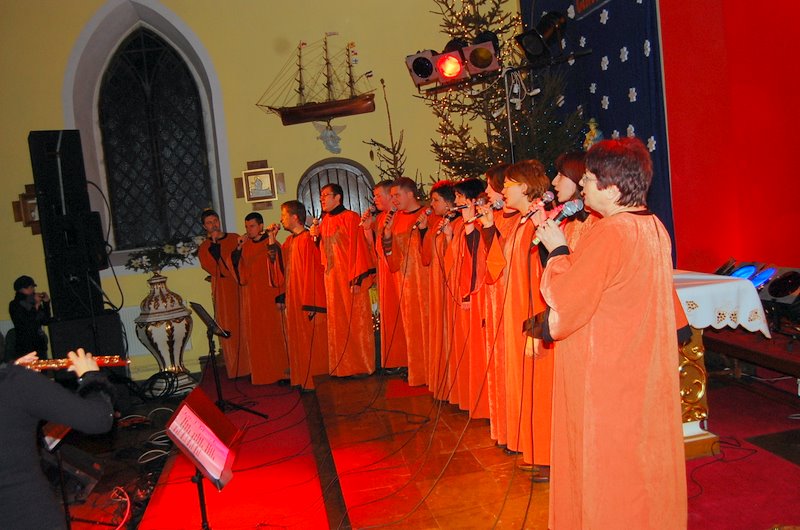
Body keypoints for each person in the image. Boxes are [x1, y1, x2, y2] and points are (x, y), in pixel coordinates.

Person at [536, 137, 687, 529]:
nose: (583, 186)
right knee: (638, 463)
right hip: (638, 366)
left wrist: (557, 250)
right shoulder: (653, 226)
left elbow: (568, 299)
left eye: (588, 179)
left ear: (614, 189)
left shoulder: (612, 232)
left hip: (605, 374)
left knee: (608, 467)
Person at [482, 160, 553, 478]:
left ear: (524, 187)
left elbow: (547, 275)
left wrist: (538, 327)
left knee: (540, 384)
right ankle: (535, 448)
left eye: (508, 185)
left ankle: (548, 455)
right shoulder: (523, 223)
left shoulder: (539, 223)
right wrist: (488, 229)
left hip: (533, 317)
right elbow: (497, 266)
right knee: (526, 383)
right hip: (516, 313)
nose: (502, 191)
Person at [0, 348, 114, 529]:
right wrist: (92, 377)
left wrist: (11, 370)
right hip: (27, 514)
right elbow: (98, 419)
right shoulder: (18, 383)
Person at [310, 184, 376, 377]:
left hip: (350, 278)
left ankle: (361, 365)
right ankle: (342, 367)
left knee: (354, 320)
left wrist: (357, 279)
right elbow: (323, 253)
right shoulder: (324, 221)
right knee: (337, 322)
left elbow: (359, 247)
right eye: (321, 196)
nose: (322, 199)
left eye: (325, 195)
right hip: (332, 280)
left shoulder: (351, 217)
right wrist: (316, 238)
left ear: (337, 197)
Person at [266, 201, 329, 390]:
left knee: (312, 343)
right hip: (294, 300)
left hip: (308, 301)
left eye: (284, 215)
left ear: (295, 217)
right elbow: (280, 270)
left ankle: (316, 383)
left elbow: (316, 272)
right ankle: (302, 379)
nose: (281, 219)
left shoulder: (309, 240)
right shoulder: (289, 242)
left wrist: (313, 303)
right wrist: (271, 239)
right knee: (298, 342)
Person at [380, 177, 430, 386]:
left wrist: (424, 231)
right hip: (405, 282)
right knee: (411, 328)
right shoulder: (396, 218)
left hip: (425, 281)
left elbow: (433, 249)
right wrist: (387, 234)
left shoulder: (427, 214)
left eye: (397, 195)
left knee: (427, 327)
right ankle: (417, 370)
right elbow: (392, 258)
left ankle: (430, 371)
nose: (394, 200)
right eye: (391, 196)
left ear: (410, 194)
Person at [231, 212, 289, 385]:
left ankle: (282, 373)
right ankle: (262, 373)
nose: (249, 230)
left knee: (275, 336)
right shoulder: (246, 245)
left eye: (252, 226)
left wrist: (281, 297)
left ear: (261, 226)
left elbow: (280, 269)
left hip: (270, 296)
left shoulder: (271, 243)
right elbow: (237, 268)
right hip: (253, 298)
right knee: (257, 338)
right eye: (247, 227)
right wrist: (238, 248)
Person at [362, 180, 408, 373]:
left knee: (399, 316)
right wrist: (367, 228)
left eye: (378, 195)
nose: (375, 199)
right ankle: (393, 359)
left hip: (397, 272)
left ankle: (404, 360)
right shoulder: (381, 218)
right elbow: (373, 247)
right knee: (388, 317)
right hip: (384, 272)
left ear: (390, 195)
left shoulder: (399, 216)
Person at [197, 209, 247, 378]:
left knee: (246, 325)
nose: (214, 225)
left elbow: (243, 261)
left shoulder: (234, 238)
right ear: (204, 226)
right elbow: (214, 269)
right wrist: (216, 251)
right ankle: (237, 369)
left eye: (215, 221)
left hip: (241, 286)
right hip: (224, 291)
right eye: (209, 223)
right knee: (229, 326)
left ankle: (252, 367)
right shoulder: (204, 247)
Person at [419, 180, 456, 399]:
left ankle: (453, 383)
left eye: (436, 200)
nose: (431, 204)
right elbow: (426, 257)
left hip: (450, 286)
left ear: (449, 202)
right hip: (436, 284)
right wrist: (423, 230)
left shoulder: (458, 223)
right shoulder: (437, 223)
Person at [8, 275, 51, 360]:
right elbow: (27, 323)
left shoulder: (32, 302)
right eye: (31, 287)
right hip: (25, 347)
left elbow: (45, 320)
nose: (33, 290)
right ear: (22, 289)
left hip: (39, 345)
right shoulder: (15, 305)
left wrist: (46, 303)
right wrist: (36, 306)